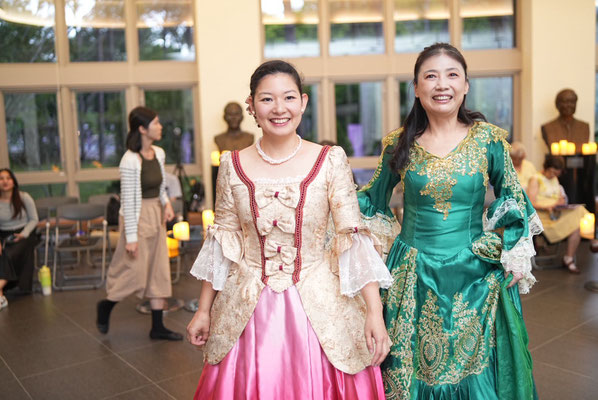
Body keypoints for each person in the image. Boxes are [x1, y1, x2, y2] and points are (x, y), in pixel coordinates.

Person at [186, 60, 393, 399]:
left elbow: (352, 237)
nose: (279, 108)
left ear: (303, 102)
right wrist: (204, 310)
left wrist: (374, 311)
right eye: (267, 99)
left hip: (320, 303)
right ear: (252, 105)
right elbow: (223, 239)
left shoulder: (330, 160)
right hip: (247, 305)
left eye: (289, 97)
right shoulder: (231, 164)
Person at [358, 43, 541, 399]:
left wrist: (517, 249)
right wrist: (329, 193)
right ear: (416, 88)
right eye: (431, 76)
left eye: (452, 75)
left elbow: (512, 196)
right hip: (412, 274)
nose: (442, 84)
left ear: (466, 85)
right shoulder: (398, 143)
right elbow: (371, 201)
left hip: (476, 276)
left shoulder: (488, 139)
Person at [96, 106, 182, 341]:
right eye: (156, 123)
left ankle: (157, 327)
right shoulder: (130, 160)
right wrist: (131, 237)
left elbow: (160, 185)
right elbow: (129, 200)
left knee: (158, 268)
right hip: (136, 215)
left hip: (156, 213)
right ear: (142, 129)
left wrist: (166, 204)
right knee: (133, 269)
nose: (160, 127)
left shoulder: (159, 153)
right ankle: (107, 304)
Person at [527, 155, 588, 274]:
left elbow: (560, 196)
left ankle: (569, 258)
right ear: (547, 168)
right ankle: (590, 242)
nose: (554, 175)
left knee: (577, 221)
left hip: (556, 214)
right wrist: (548, 206)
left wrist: (561, 201)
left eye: (557, 173)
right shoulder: (536, 179)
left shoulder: (554, 179)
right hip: (542, 218)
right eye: (553, 172)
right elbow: (531, 203)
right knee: (576, 223)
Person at [0, 168, 39, 307]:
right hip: (3, 234)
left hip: (25, 233)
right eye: (1, 179)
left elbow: (34, 219)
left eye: (8, 178)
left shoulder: (24, 197)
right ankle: (0, 296)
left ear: (13, 181)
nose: (5, 181)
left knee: (9, 254)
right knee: (2, 252)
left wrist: (24, 234)